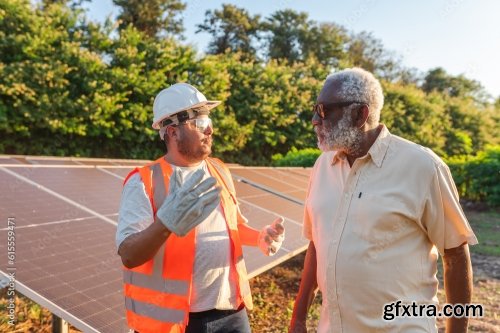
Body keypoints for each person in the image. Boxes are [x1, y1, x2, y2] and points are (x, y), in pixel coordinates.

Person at [289, 68, 477, 333]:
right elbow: (317, 245)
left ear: (359, 114)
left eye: (323, 110)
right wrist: (298, 318)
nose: (314, 120)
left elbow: (456, 253)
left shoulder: (423, 167)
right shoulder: (322, 167)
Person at [116, 83, 285, 333]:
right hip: (174, 323)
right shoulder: (143, 182)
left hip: (231, 313)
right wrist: (165, 224)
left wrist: (259, 237)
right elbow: (129, 254)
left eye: (209, 120)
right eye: (200, 121)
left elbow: (233, 227)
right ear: (172, 132)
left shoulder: (218, 169)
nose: (210, 129)